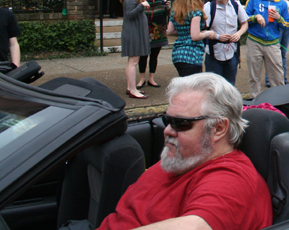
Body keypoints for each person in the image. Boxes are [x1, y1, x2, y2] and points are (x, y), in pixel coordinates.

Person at [97, 73, 272, 230]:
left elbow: (197, 227)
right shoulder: (183, 159)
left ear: (219, 128)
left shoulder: (230, 179)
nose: (167, 130)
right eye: (167, 120)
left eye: (180, 123)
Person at [244, 0, 289, 96]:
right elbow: (243, 19)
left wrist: (279, 18)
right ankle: (255, 100)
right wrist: (255, 17)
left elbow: (286, 25)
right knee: (254, 76)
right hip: (254, 41)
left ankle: (279, 101)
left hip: (273, 43)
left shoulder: (281, 3)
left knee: (277, 77)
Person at [204, 0, 249, 86]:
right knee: (213, 87)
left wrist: (238, 34)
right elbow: (203, 30)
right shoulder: (209, 7)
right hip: (213, 53)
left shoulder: (236, 5)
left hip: (231, 52)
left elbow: (245, 23)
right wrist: (216, 37)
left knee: (230, 86)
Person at [168, 0, 212, 78]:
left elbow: (170, 31)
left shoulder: (176, 10)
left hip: (178, 54)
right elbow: (195, 36)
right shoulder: (195, 12)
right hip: (192, 55)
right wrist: (208, 33)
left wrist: (185, 31)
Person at [120, 0, 151, 99]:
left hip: (134, 32)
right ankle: (133, 89)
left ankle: (130, 87)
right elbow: (130, 14)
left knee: (132, 61)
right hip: (132, 33)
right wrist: (141, 6)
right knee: (133, 62)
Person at [138, 0, 169, 89]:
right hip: (145, 30)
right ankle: (141, 79)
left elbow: (167, 13)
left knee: (154, 55)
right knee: (143, 55)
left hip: (158, 30)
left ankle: (151, 78)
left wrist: (167, 7)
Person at [265, 0, 289, 86]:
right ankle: (269, 79)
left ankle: (283, 78)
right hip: (276, 27)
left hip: (287, 27)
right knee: (272, 53)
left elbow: (288, 12)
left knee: (283, 54)